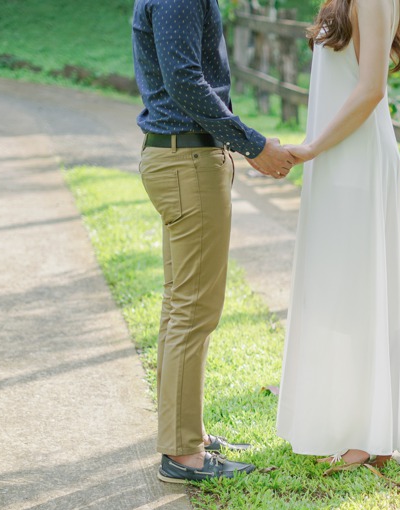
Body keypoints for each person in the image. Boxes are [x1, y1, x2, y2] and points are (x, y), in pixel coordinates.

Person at [132, 0, 294, 483]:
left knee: (182, 305)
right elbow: (185, 81)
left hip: (182, 158)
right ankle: (183, 454)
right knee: (194, 309)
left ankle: (187, 436)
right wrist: (253, 144)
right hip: (188, 162)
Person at [276, 0, 400, 467]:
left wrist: (312, 147)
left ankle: (368, 433)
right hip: (337, 161)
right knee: (337, 292)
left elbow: (371, 88)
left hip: (356, 160)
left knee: (356, 293)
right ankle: (350, 423)